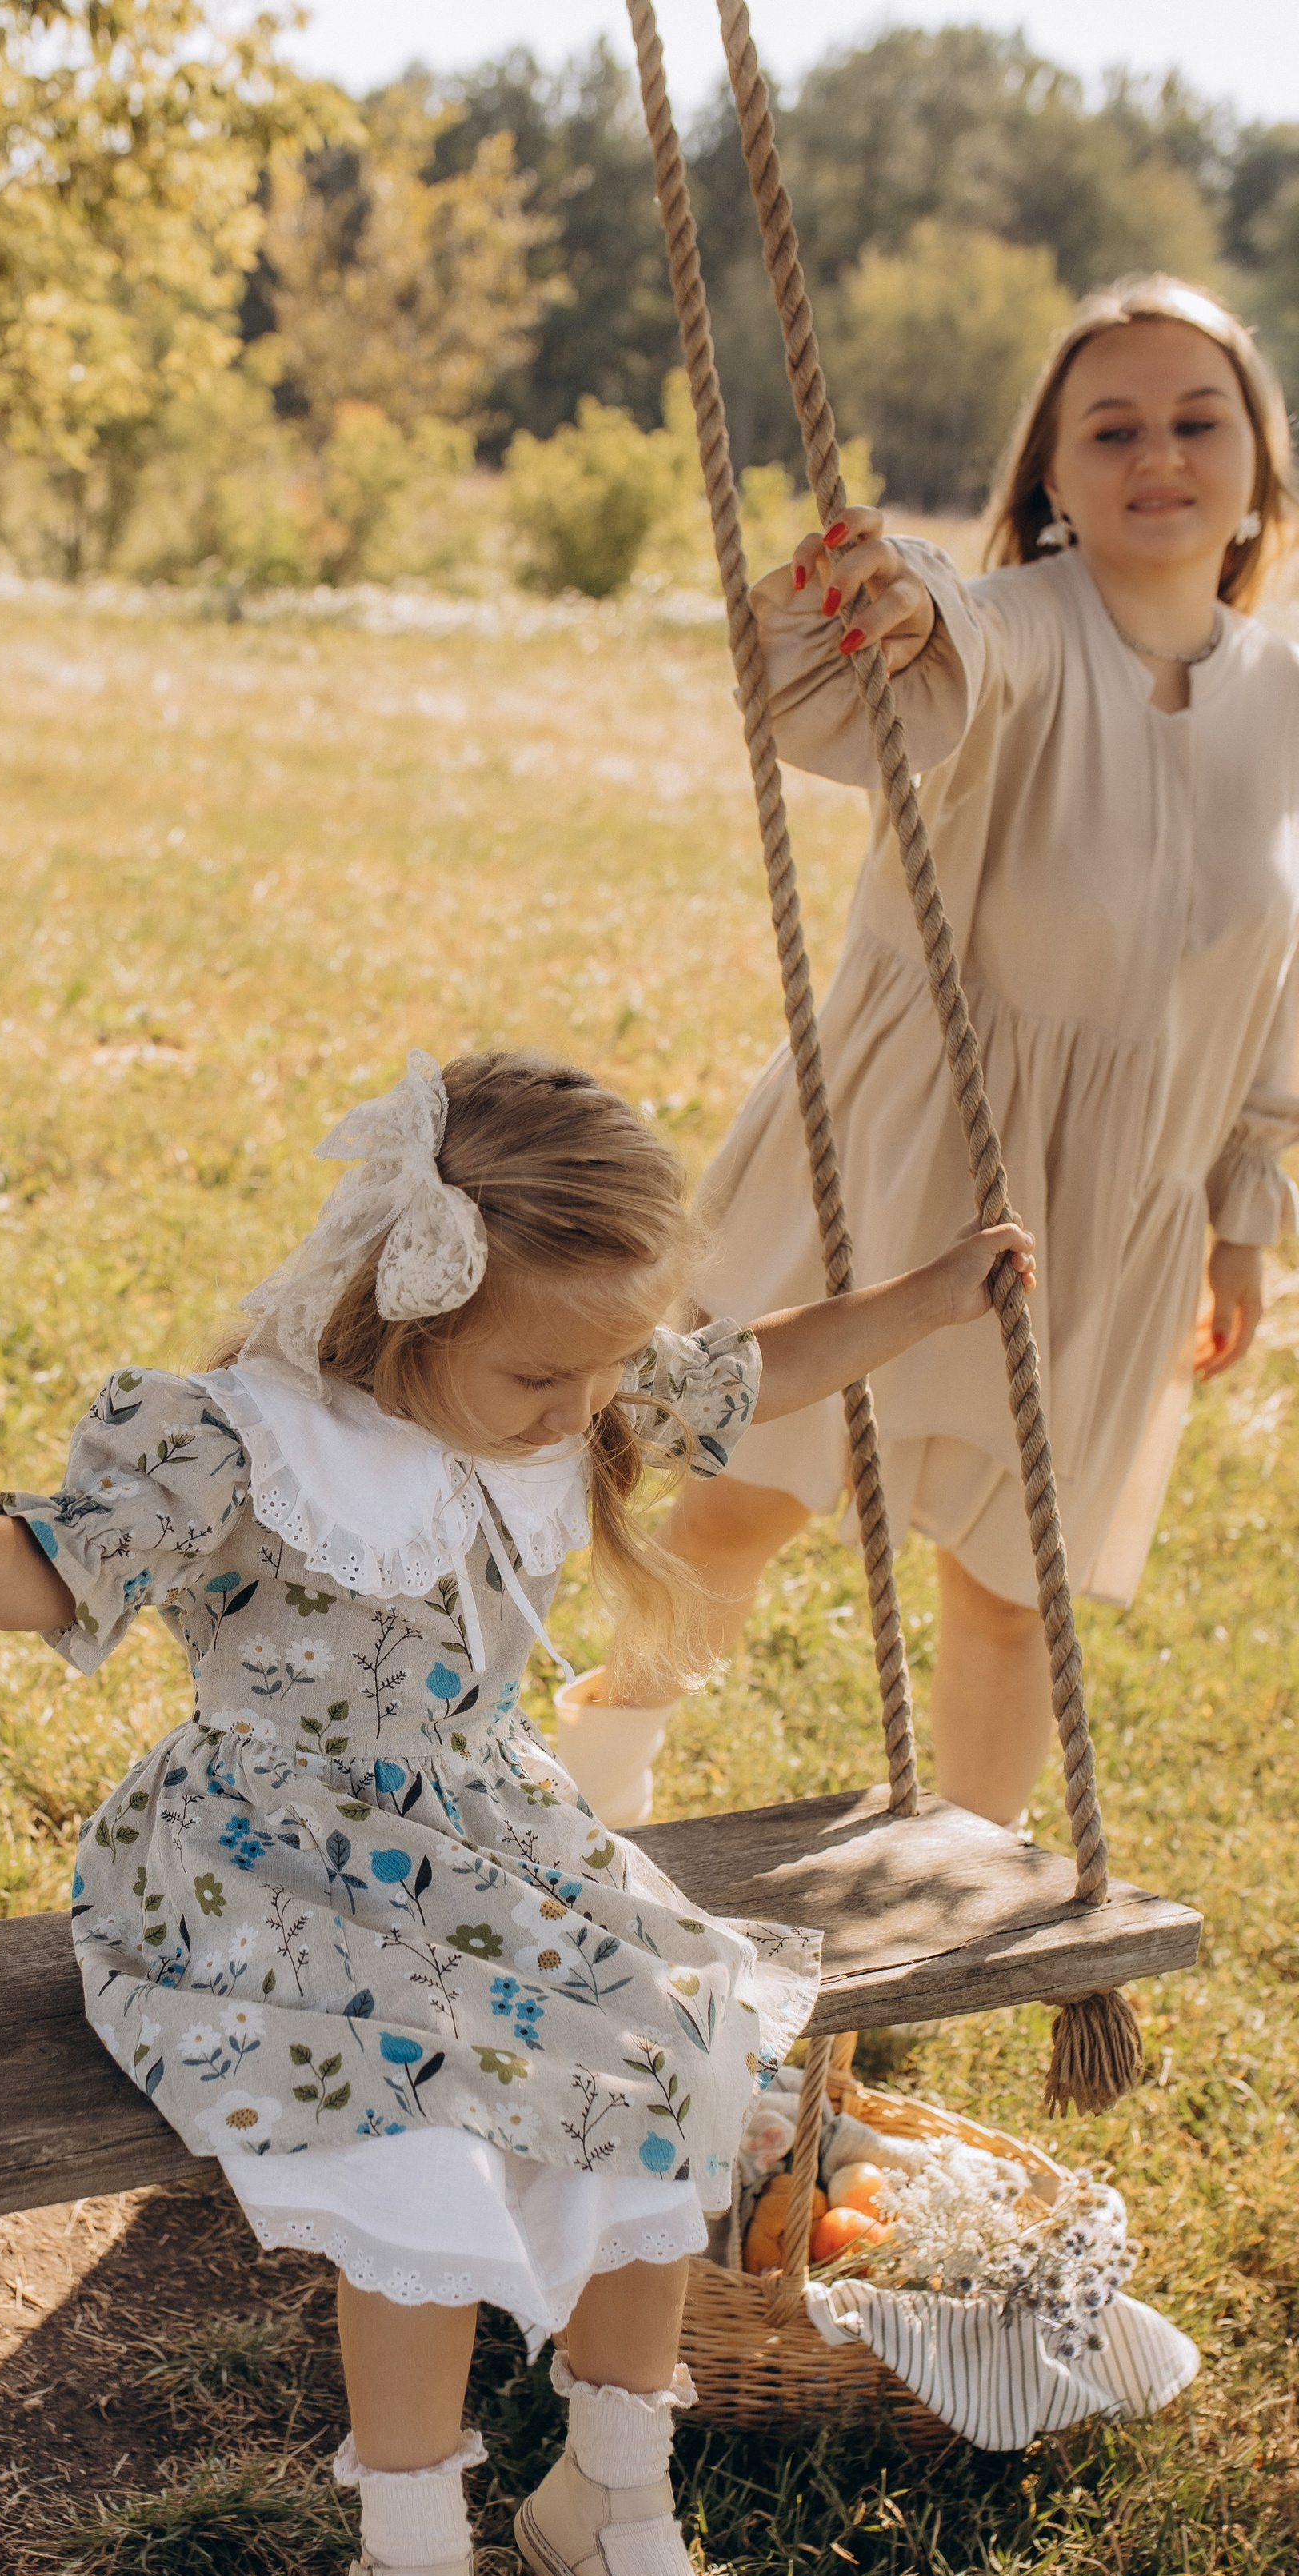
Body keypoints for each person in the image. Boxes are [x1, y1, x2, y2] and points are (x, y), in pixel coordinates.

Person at [0, 1052, 1033, 2576]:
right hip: (263, 1869)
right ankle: (411, 2573)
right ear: (402, 1306)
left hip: (486, 1844)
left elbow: (757, 1368)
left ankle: (611, 2495)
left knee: (675, 2053)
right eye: (538, 1376)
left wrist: (935, 1293)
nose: (585, 1411)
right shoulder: (243, 1442)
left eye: (598, 1374)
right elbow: (52, 1565)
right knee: (412, 2146)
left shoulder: (556, 1384)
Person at [567, 277, 1299, 1835]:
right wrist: (890, 588)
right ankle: (579, 1796)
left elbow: (1270, 971)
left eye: (1194, 421)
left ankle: (958, 1909)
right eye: (1109, 428)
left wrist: (1243, 1207)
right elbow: (939, 632)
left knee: (1012, 1588)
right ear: (1049, 473)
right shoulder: (1014, 632)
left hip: (1112, 1206)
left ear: (1256, 464)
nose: (1154, 455)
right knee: (746, 1497)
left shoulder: (1284, 699)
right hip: (916, 1156)